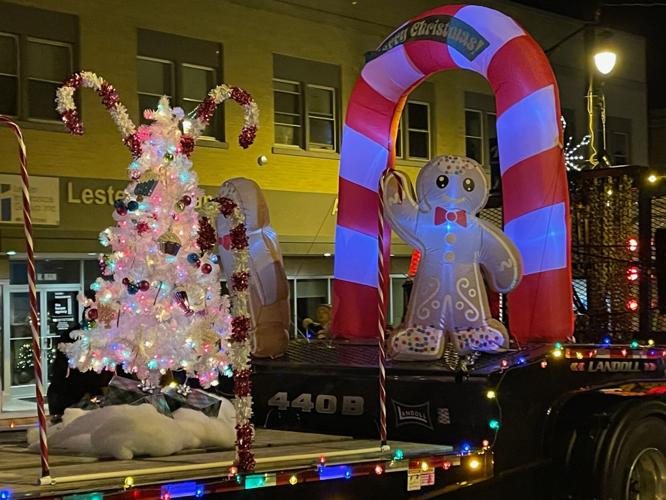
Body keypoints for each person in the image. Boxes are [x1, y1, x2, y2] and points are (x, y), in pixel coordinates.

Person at [47, 293, 113, 420]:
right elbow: (62, 370)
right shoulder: (74, 338)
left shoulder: (108, 341)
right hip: (73, 398)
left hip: (77, 397)